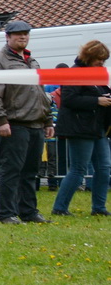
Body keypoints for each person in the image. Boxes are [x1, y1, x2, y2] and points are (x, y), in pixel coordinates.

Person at [0, 20, 51, 224]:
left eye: (26, 34)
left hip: (36, 122)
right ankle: (6, 213)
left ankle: (29, 212)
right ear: (8, 37)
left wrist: (48, 120)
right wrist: (1, 120)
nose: (23, 37)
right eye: (18, 34)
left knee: (30, 171)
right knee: (12, 170)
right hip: (14, 123)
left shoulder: (32, 61)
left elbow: (41, 93)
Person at [51, 40, 111, 217]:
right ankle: (60, 208)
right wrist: (97, 101)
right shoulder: (73, 73)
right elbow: (68, 100)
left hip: (97, 128)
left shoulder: (96, 75)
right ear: (89, 56)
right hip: (79, 128)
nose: (101, 63)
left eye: (103, 60)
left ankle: (99, 208)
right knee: (78, 169)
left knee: (104, 167)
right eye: (99, 60)